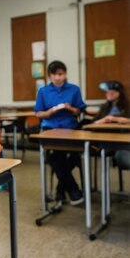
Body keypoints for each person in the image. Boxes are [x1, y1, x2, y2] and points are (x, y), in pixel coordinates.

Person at [34, 60, 87, 208]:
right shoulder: (43, 91)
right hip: (50, 129)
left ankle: (60, 191)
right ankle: (73, 190)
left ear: (65, 74)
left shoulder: (74, 89)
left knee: (65, 157)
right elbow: (38, 114)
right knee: (56, 156)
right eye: (54, 74)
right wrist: (50, 111)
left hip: (70, 128)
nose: (58, 77)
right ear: (50, 76)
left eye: (61, 74)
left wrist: (70, 108)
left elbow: (79, 111)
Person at [93, 80, 130, 169]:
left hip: (124, 140)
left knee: (123, 153)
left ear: (119, 93)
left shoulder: (127, 106)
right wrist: (104, 120)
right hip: (106, 140)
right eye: (107, 93)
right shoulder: (104, 107)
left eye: (112, 93)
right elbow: (94, 122)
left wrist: (115, 119)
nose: (108, 94)